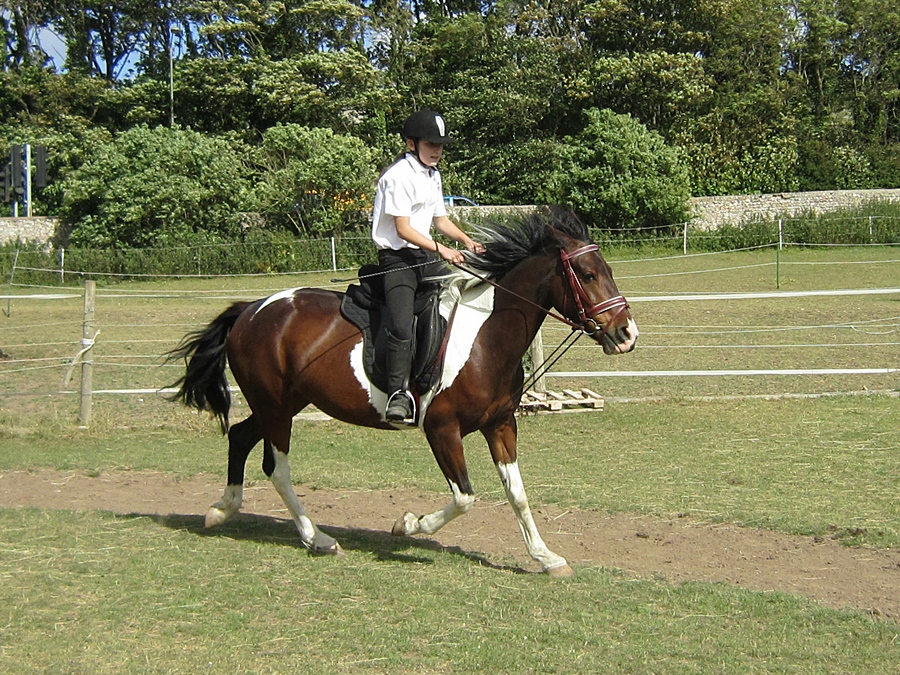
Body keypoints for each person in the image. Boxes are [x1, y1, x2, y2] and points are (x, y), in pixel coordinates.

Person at [371, 109, 485, 423]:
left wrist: (466, 241)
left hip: (424, 258)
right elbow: (403, 229)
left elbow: (441, 220)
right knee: (401, 324)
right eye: (431, 144)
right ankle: (397, 393)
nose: (437, 150)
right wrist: (443, 249)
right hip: (397, 260)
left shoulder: (433, 175)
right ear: (412, 143)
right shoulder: (397, 177)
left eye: (440, 145)